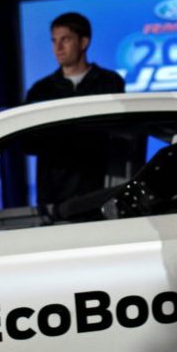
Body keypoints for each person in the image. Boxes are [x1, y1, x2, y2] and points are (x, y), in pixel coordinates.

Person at [25, 12, 124, 214]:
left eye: (65, 39)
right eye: (54, 41)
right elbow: (28, 143)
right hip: (56, 196)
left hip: (101, 191)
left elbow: (118, 133)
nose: (58, 48)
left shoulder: (109, 82)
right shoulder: (41, 90)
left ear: (84, 42)